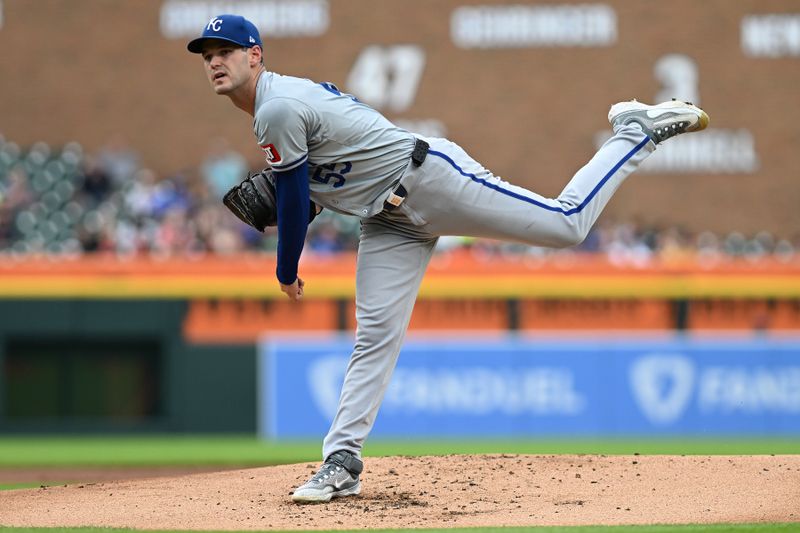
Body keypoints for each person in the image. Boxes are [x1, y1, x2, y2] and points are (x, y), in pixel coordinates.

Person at [187, 14, 709, 503]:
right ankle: (341, 461)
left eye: (226, 51)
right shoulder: (278, 107)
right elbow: (328, 176)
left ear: (254, 55)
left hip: (431, 180)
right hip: (388, 221)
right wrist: (309, 197)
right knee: (374, 335)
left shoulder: (275, 108)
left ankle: (633, 134)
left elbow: (297, 198)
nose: (215, 61)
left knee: (565, 224)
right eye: (207, 53)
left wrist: (286, 268)